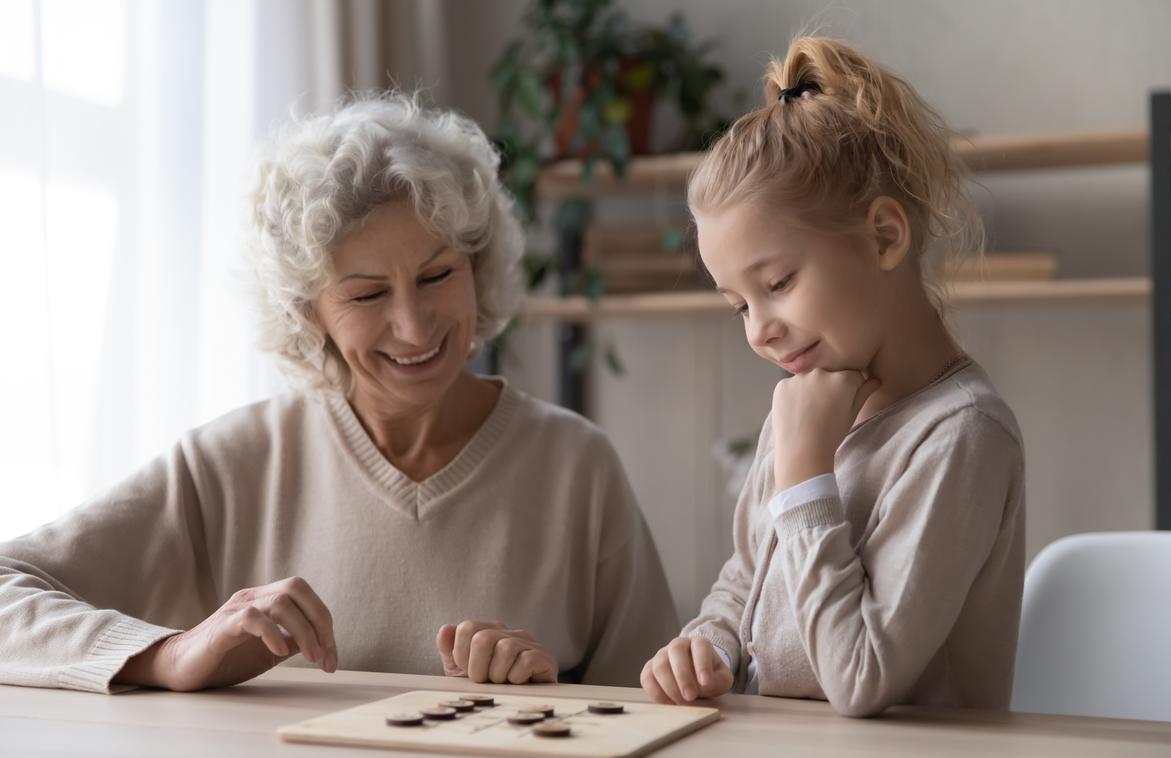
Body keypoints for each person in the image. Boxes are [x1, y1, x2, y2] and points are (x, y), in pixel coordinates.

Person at [0, 92, 678, 694]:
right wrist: (172, 654)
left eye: (438, 274)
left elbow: (662, 709)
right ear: (308, 312)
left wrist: (554, 695)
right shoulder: (235, 463)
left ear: (479, 265)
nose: (414, 325)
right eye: (367, 293)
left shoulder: (576, 467)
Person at [641, 36, 1025, 717]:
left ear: (883, 237)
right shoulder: (810, 402)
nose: (759, 330)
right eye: (739, 306)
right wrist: (707, 645)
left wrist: (806, 474)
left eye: (779, 283)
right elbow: (747, 581)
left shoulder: (962, 436)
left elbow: (862, 679)